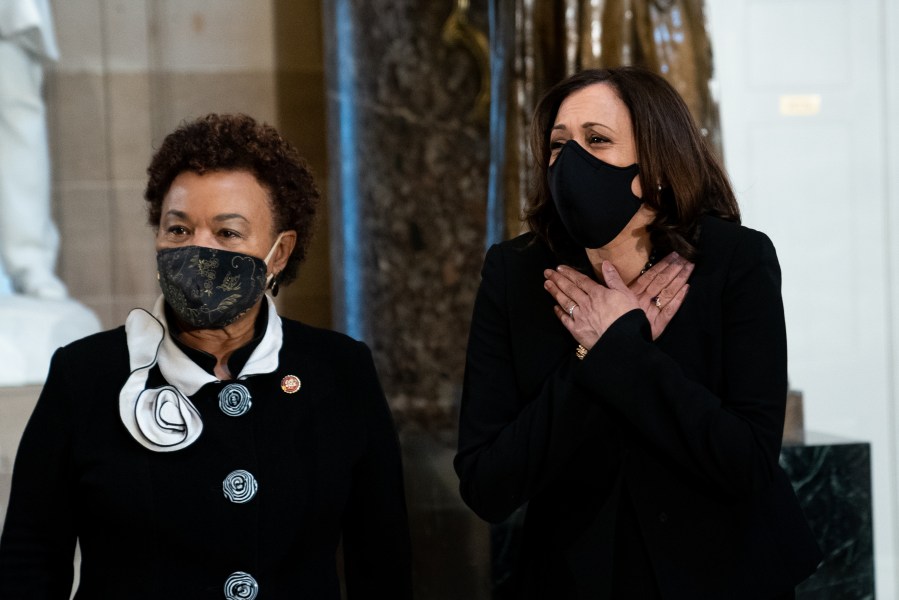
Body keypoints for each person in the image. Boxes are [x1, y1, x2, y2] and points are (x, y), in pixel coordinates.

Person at [0, 113, 413, 599]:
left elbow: (382, 564)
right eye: (178, 230)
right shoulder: (86, 375)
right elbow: (29, 563)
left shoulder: (340, 371)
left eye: (227, 233)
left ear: (279, 253)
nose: (198, 250)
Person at [455, 67, 821, 599]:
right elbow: (487, 483)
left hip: (727, 575)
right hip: (577, 578)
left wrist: (622, 350)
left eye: (597, 141)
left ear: (658, 164)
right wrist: (593, 352)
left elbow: (747, 460)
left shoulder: (735, 260)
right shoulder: (517, 271)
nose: (570, 161)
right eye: (560, 145)